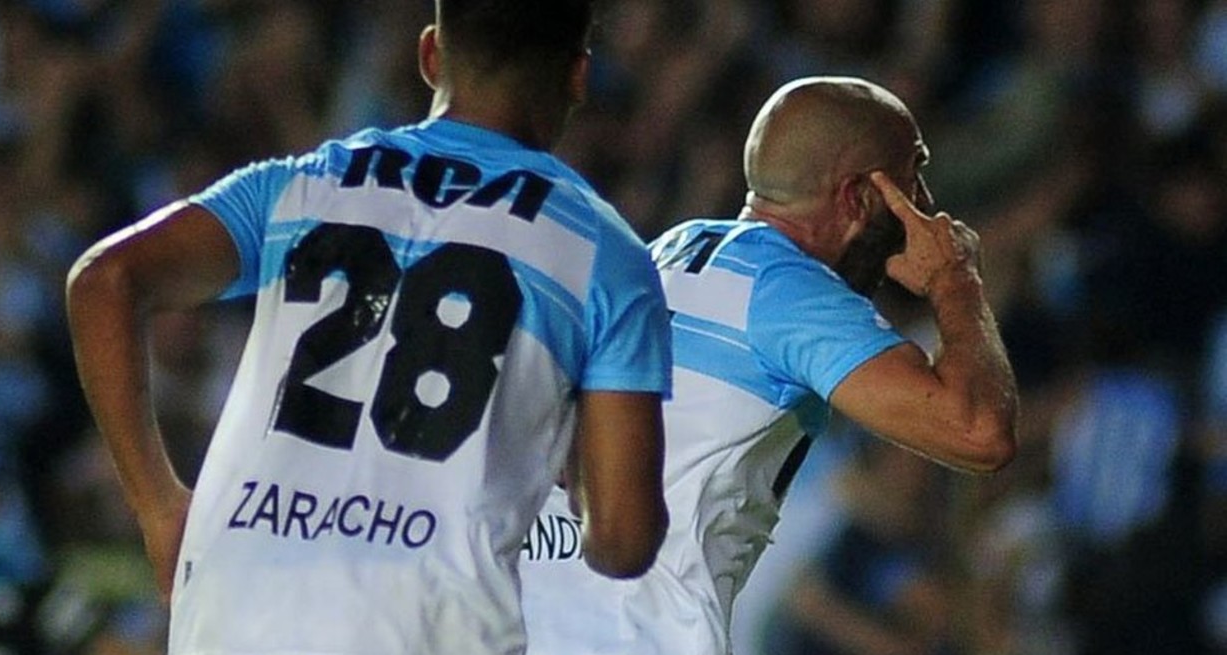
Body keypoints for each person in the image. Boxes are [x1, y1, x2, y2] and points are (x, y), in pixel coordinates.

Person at [64, 2, 672, 653]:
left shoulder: (304, 184)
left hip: (237, 603)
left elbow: (104, 281)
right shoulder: (606, 255)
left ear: (430, 55)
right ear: (578, 75)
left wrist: (158, 505)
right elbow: (621, 539)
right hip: (428, 622)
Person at [520, 76, 1019, 655]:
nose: (926, 206)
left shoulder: (677, 247)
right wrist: (955, 280)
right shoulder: (790, 295)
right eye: (913, 175)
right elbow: (979, 434)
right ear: (858, 198)